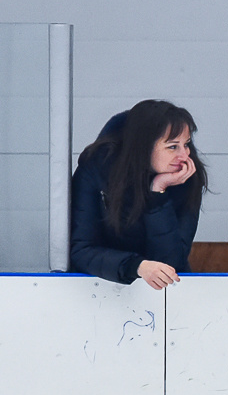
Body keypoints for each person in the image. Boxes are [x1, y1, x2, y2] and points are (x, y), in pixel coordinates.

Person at [70, 100, 208, 289]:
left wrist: (158, 194)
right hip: (96, 290)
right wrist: (136, 266)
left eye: (187, 144)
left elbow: (172, 263)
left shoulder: (186, 179)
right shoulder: (97, 169)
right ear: (143, 147)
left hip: (164, 296)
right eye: (172, 147)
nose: (184, 156)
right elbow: (81, 250)